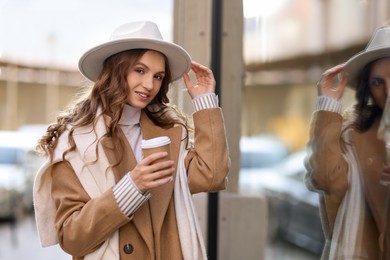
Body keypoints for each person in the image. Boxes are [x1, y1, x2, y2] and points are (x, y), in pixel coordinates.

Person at [33, 21, 230, 260]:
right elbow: (71, 237)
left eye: (158, 76)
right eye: (140, 70)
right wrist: (131, 188)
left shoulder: (168, 132)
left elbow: (212, 175)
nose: (150, 85)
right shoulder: (75, 142)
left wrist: (204, 101)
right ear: (116, 70)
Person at [305, 25, 390, 259]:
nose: (389, 90)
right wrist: (329, 105)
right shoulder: (353, 134)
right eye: (378, 82)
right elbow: (327, 179)